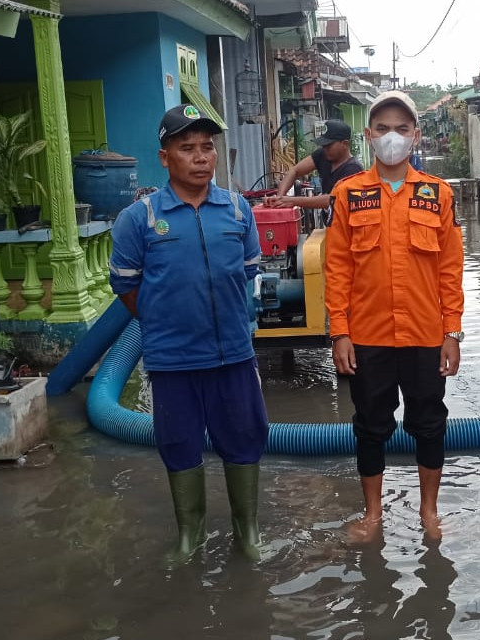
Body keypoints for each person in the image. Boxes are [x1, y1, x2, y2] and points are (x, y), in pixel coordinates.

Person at [109, 104, 269, 561]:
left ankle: (249, 534)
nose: (201, 157)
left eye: (207, 147)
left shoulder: (238, 210)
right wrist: (165, 321)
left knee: (244, 436)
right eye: (187, 149)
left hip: (234, 355)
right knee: (178, 443)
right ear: (165, 158)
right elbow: (126, 287)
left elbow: (247, 274)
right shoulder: (139, 219)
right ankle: (190, 537)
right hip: (173, 359)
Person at [325, 90, 465, 543]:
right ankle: (372, 515)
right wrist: (339, 334)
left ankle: (429, 512)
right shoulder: (348, 194)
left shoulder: (437, 194)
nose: (392, 137)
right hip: (368, 336)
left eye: (402, 129)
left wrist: (452, 333)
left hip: (425, 335)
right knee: (369, 425)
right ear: (368, 136)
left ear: (415, 135)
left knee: (429, 422)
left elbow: (450, 269)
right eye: (382, 128)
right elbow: (337, 269)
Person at [269, 119, 364, 209]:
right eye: (323, 145)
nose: (325, 148)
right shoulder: (323, 155)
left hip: (346, 225)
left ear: (345, 144)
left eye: (329, 145)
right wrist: (279, 198)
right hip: (330, 224)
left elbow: (332, 199)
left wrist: (293, 201)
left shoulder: (353, 169)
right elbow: (295, 171)